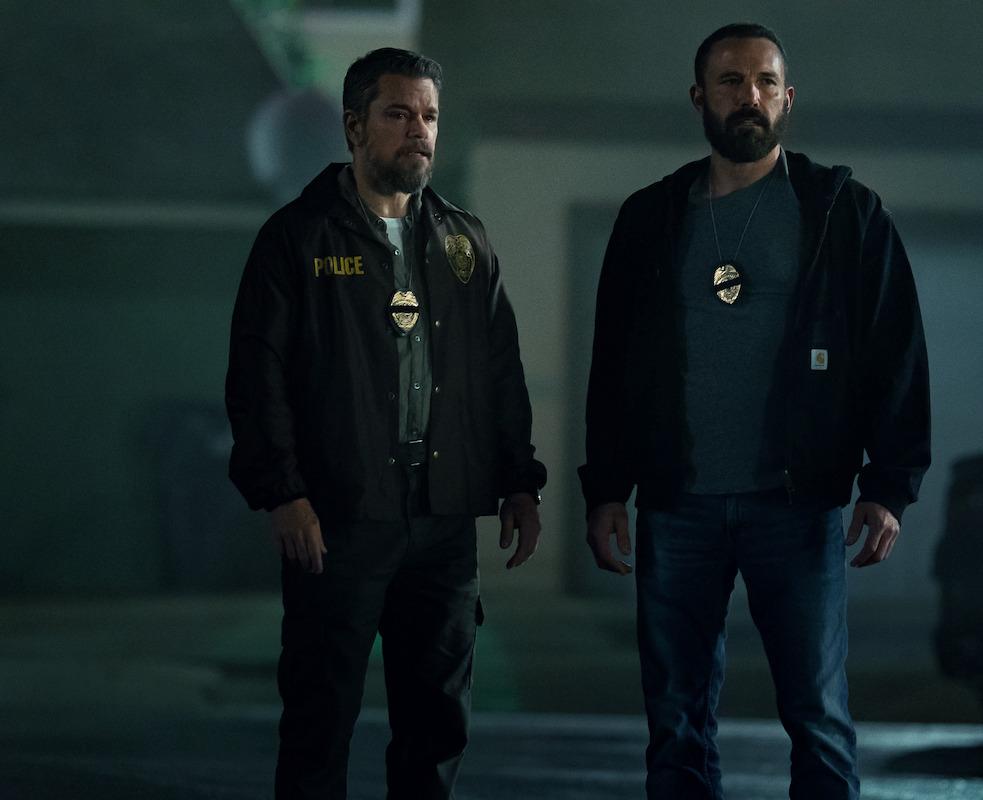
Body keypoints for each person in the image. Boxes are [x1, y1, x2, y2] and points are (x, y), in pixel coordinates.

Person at [579, 23, 930, 800]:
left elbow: (894, 350)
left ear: (789, 99)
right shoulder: (650, 217)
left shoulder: (842, 212)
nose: (751, 96)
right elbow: (615, 366)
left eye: (767, 82)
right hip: (679, 505)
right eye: (732, 81)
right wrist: (605, 486)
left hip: (795, 507)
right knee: (675, 724)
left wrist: (888, 484)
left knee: (818, 717)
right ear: (699, 97)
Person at [225, 48, 546, 800]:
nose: (419, 132)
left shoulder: (465, 243)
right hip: (338, 518)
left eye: (429, 116)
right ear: (354, 127)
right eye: (398, 114)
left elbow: (500, 374)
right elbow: (257, 376)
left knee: (437, 723)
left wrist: (520, 484)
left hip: (441, 523)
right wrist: (284, 493)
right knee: (319, 718)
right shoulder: (297, 239)